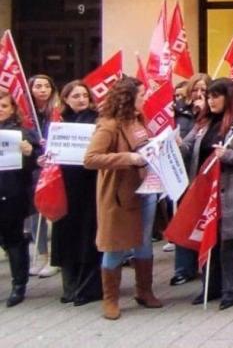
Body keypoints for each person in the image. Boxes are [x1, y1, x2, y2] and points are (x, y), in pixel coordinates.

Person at [84, 77, 163, 320]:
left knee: (144, 241)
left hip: (145, 190)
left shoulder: (139, 120)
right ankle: (111, 299)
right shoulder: (109, 125)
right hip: (119, 195)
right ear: (128, 98)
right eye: (141, 95)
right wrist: (127, 158)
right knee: (116, 244)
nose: (144, 98)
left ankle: (144, 291)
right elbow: (91, 159)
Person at [179, 78, 233, 310]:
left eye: (215, 96)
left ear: (228, 98)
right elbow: (187, 146)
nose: (210, 101)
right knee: (207, 237)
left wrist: (228, 156)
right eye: (209, 97)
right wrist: (173, 144)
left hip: (230, 191)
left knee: (228, 241)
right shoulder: (202, 123)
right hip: (204, 190)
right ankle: (209, 287)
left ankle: (231, 289)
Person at [50, 81, 102, 306]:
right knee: (66, 235)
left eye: (84, 95)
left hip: (89, 185)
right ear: (66, 100)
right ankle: (69, 286)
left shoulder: (97, 121)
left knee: (87, 236)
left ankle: (88, 287)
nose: (81, 99)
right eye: (75, 96)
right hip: (65, 186)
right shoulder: (59, 123)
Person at [0, 91, 43, 307]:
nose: (0, 109)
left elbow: (40, 162)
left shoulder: (23, 134)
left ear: (12, 109)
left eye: (4, 106)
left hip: (12, 195)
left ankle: (19, 285)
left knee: (14, 240)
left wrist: (29, 153)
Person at [171, 73, 212, 286]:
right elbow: (184, 144)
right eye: (196, 89)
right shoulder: (179, 112)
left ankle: (206, 265)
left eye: (204, 90)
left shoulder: (212, 116)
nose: (199, 94)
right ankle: (183, 268)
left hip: (205, 176)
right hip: (183, 175)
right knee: (185, 221)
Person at [27, 74, 60, 279]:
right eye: (38, 86)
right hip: (34, 167)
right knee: (35, 212)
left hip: (55, 167)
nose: (42, 90)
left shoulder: (57, 112)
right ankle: (41, 254)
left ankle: (55, 258)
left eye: (46, 86)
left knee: (56, 210)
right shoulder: (25, 114)